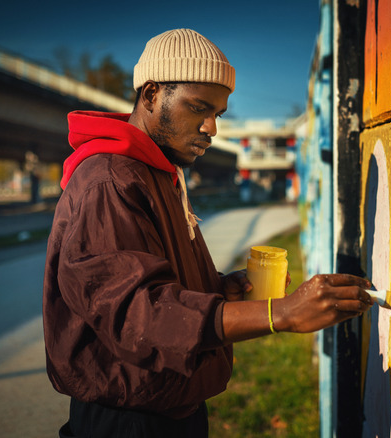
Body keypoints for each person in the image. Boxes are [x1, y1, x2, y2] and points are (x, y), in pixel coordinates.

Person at [43, 28, 373, 438]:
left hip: (168, 408)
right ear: (150, 95)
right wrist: (280, 314)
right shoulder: (110, 180)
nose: (212, 128)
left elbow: (154, 284)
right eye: (199, 108)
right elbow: (137, 315)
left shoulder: (158, 172)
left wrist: (217, 289)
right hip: (129, 421)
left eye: (218, 114)